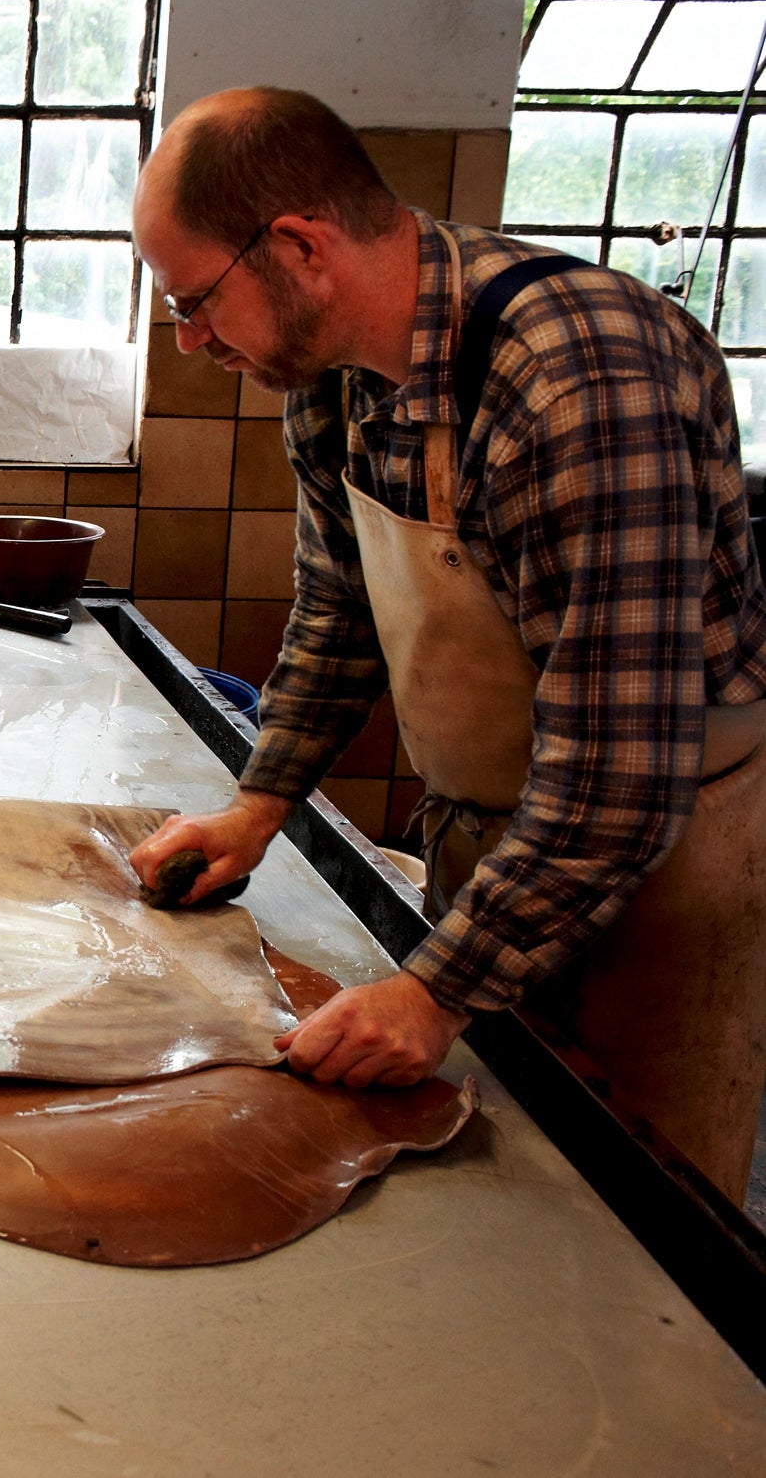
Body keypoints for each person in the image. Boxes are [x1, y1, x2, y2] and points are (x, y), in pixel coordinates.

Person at [126, 87, 766, 1199]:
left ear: (297, 246)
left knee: (624, 1241)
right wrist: (256, 803)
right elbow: (337, 617)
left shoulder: (573, 378)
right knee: (487, 1200)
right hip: (496, 832)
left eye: (194, 302)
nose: (190, 342)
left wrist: (434, 990)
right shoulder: (328, 386)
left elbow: (619, 771)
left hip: (661, 862)